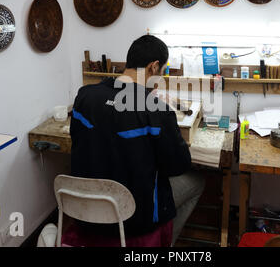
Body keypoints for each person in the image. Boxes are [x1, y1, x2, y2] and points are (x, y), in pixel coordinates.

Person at [69, 35, 204, 246]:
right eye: (161, 73)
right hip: (134, 216)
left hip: (87, 205)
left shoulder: (84, 96)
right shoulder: (157, 110)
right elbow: (178, 166)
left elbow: (79, 138)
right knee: (197, 181)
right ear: (154, 67)